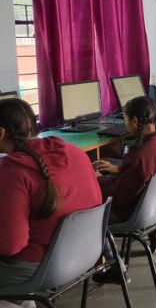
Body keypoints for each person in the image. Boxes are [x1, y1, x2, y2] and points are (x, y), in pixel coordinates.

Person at [0, 98, 102, 291]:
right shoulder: (75, 152)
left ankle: (19, 301)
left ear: (1, 133)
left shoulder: (13, 170)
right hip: (88, 252)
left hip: (45, 266)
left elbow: (10, 246)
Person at [94, 97, 156, 221]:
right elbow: (144, 173)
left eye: (126, 120)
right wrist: (121, 169)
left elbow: (120, 195)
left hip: (134, 214)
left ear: (134, 121)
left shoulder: (139, 155)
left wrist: (97, 179)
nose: (126, 125)